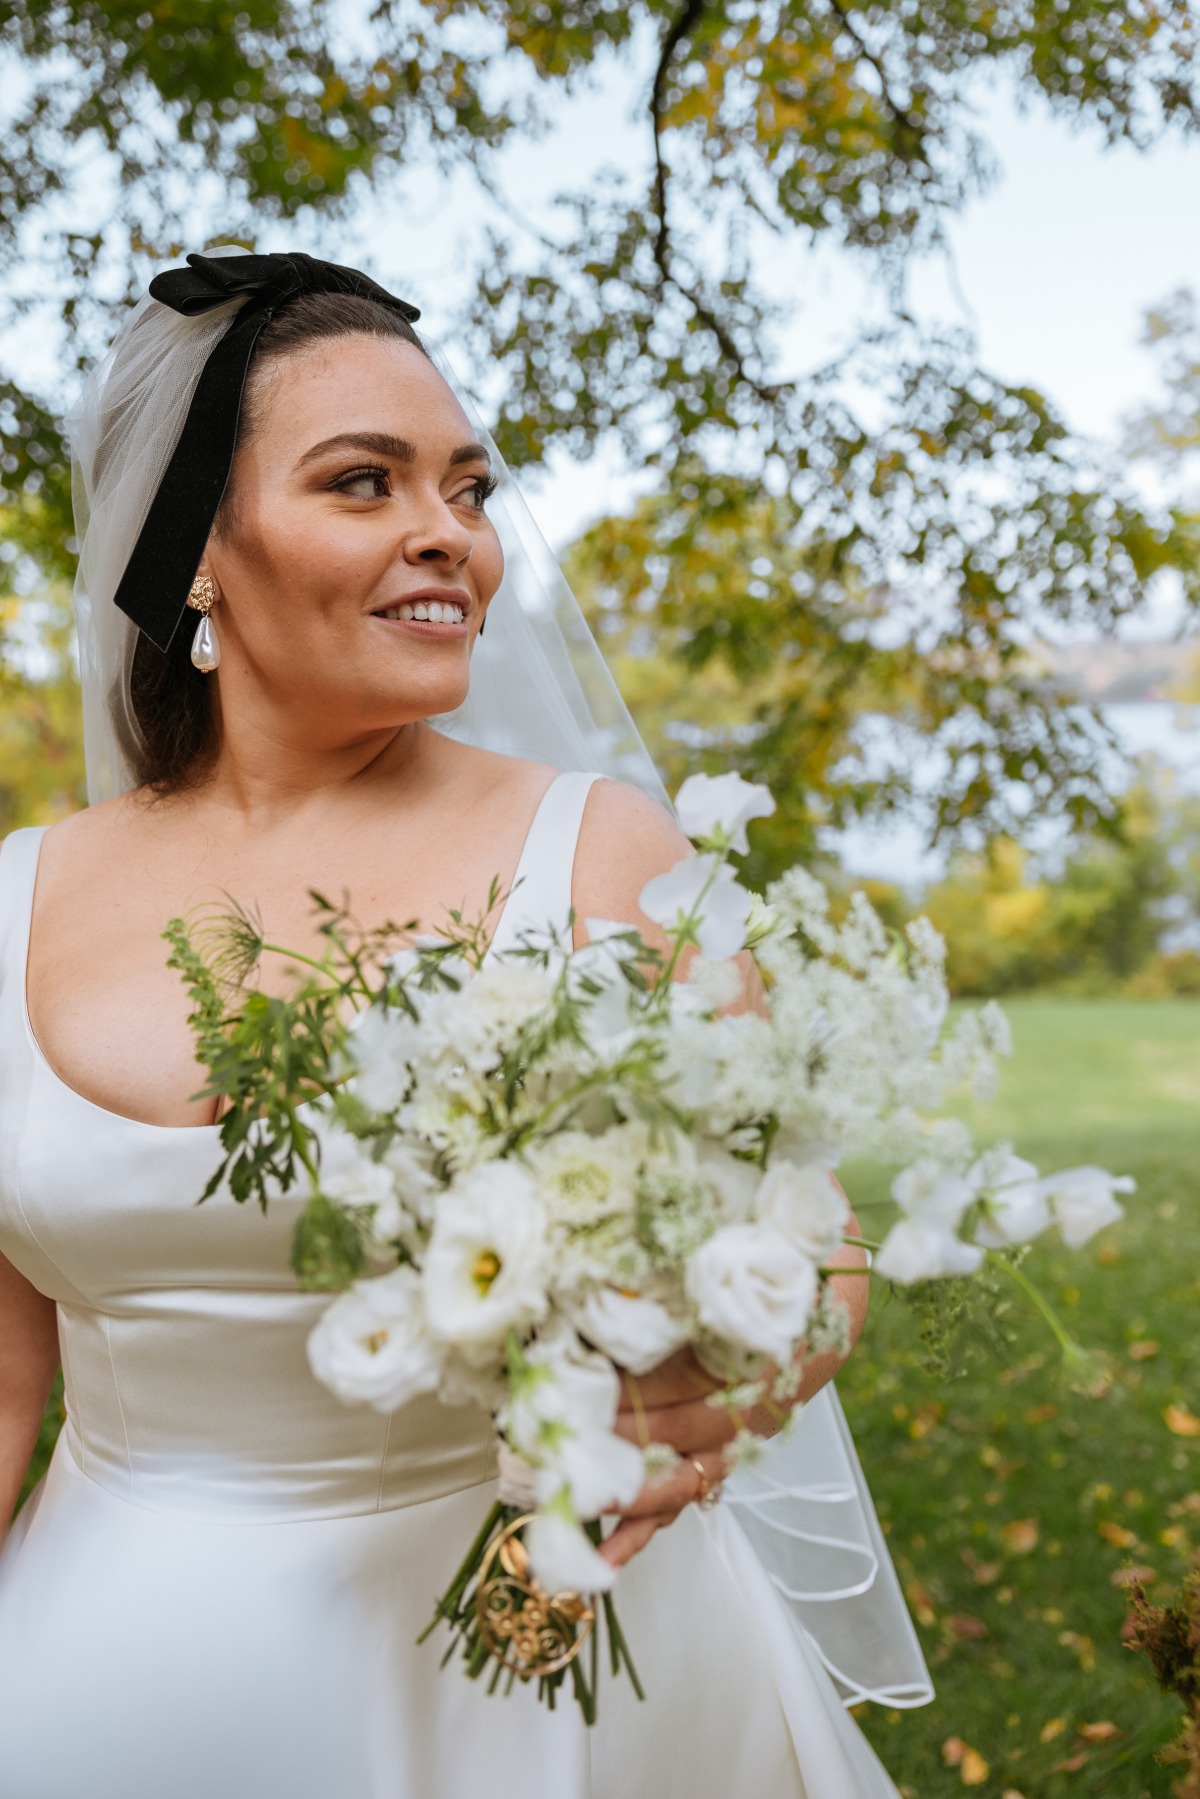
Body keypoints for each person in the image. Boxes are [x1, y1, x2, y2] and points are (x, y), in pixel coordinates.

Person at [0, 250, 928, 1796]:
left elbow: (809, 1235)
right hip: (116, 1648)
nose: (451, 536)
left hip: (546, 1658)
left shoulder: (606, 850)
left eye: (469, 489)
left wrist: (728, 1383)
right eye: (365, 483)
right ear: (195, 557)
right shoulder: (15, 901)